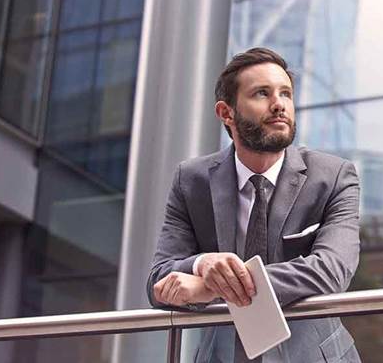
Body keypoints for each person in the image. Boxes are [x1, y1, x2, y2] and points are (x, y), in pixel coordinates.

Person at [147, 47, 361, 362]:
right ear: (226, 113)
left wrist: (214, 287)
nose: (279, 105)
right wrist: (204, 264)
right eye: (262, 94)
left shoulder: (334, 177)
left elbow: (330, 271)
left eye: (286, 94)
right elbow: (158, 279)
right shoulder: (191, 181)